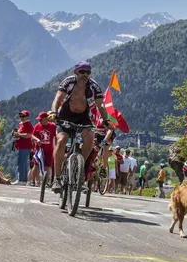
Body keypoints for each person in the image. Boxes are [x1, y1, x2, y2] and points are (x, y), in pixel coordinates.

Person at [49, 61, 113, 193]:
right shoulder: (68, 82)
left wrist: (106, 120)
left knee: (90, 140)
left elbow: (100, 105)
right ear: (76, 72)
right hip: (65, 116)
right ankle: (57, 178)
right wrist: (54, 113)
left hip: (84, 117)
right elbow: (57, 98)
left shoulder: (93, 86)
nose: (85, 75)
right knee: (61, 142)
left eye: (88, 72)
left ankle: (79, 173)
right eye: (82, 72)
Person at [31, 111, 57, 187]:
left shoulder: (53, 126)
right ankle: (35, 181)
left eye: (41, 119)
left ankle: (46, 182)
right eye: (39, 120)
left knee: (48, 166)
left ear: (46, 119)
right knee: (36, 165)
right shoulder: (37, 126)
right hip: (39, 150)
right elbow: (32, 135)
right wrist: (36, 139)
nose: (39, 121)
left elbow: (57, 136)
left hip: (49, 150)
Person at [13, 110, 34, 185]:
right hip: (21, 146)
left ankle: (21, 180)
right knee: (22, 162)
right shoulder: (21, 124)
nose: (22, 117)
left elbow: (29, 135)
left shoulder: (28, 125)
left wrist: (19, 135)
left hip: (25, 146)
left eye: (23, 116)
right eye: (21, 116)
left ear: (27, 117)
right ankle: (23, 180)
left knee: (22, 163)